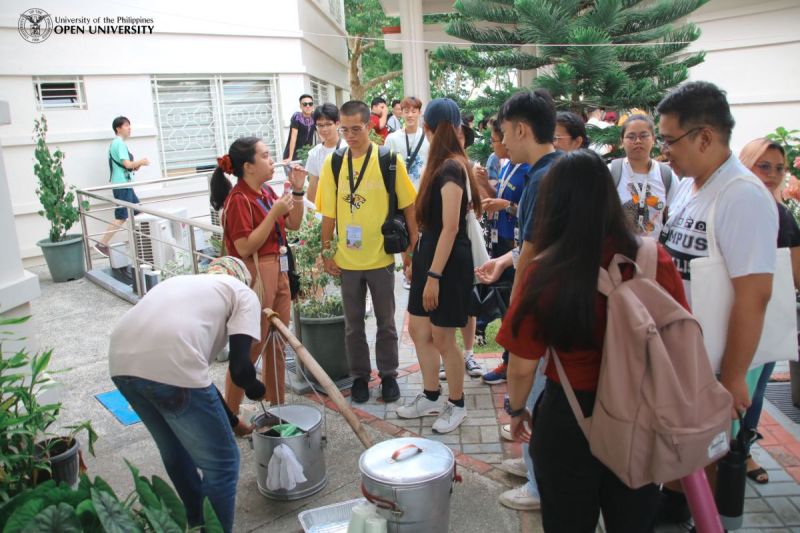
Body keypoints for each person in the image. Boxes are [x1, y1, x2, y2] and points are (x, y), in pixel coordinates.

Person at [497, 150, 688, 532]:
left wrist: (517, 412)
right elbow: (679, 335)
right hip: (641, 413)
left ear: (554, 203)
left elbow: (521, 366)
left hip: (569, 416)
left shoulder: (545, 271)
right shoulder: (654, 258)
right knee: (633, 522)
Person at [656, 81, 778, 519]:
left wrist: (734, 376)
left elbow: (755, 295)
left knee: (707, 445)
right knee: (681, 439)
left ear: (704, 137)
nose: (665, 151)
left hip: (714, 360)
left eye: (670, 140)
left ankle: (701, 518)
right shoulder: (691, 186)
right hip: (684, 352)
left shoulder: (741, 196)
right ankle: (675, 501)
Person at [109, 256, 265, 533]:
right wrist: (256, 389)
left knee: (176, 452)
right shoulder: (243, 292)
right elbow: (241, 370)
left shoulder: (184, 283)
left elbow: (200, 389)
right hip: (172, 359)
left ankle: (197, 524)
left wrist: (235, 423)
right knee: (224, 464)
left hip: (121, 361)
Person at [315, 100, 418, 403]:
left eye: (356, 129)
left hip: (381, 258)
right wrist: (327, 252)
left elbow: (409, 207)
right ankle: (360, 376)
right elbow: (328, 215)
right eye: (344, 129)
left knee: (387, 323)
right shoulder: (333, 163)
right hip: (347, 259)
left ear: (370, 127)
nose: (349, 135)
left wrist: (410, 251)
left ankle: (388, 375)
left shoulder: (388, 160)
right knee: (353, 324)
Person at [397, 98, 482, 433]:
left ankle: (456, 403)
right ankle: (431, 395)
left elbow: (450, 227)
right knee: (420, 330)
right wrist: (417, 261)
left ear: (430, 128)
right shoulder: (442, 164)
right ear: (457, 127)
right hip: (428, 255)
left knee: (444, 337)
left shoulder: (450, 168)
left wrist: (433, 275)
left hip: (446, 263)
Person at [209, 137, 306, 412]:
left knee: (277, 341)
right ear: (248, 166)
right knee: (250, 346)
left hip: (278, 268)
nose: (271, 160)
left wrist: (298, 193)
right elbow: (244, 246)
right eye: (265, 156)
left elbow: (294, 223)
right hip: (256, 274)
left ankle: (277, 406)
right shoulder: (239, 199)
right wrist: (273, 213)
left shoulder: (265, 193)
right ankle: (231, 411)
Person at [738, 137, 800, 484]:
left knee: (756, 391)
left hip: (765, 320)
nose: (772, 175)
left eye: (779, 168)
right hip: (726, 318)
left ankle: (743, 451)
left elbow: (795, 275)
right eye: (764, 165)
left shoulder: (782, 216)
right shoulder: (729, 206)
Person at [611, 114, 678, 238]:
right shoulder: (611, 172)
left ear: (653, 138)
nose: (637, 141)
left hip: (654, 252)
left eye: (644, 136)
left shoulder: (666, 175)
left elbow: (673, 218)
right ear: (622, 141)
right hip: (618, 252)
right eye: (631, 137)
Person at [94, 116, 150, 257]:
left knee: (139, 213)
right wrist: (142, 162)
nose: (129, 128)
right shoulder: (118, 143)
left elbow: (127, 166)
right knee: (122, 216)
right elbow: (127, 164)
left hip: (125, 184)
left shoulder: (119, 144)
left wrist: (136, 165)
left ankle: (146, 244)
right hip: (122, 185)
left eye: (130, 125)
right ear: (118, 129)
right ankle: (101, 244)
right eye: (126, 126)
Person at [386, 96, 429, 188]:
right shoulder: (392, 139)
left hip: (423, 192)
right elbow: (386, 167)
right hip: (401, 194)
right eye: (406, 111)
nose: (410, 115)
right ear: (401, 113)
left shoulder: (428, 138)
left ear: (420, 113)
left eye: (414, 112)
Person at [305, 103, 342, 206]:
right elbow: (313, 185)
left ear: (337, 124)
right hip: (326, 207)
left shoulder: (348, 148)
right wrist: (311, 212)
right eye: (320, 125)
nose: (324, 129)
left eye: (329, 124)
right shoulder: (314, 153)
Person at [283, 94, 316, 162]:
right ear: (300, 106)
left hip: (306, 154)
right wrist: (290, 157)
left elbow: (321, 134)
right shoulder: (297, 117)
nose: (308, 106)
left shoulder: (314, 116)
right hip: (293, 154)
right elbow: (293, 137)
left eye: (310, 104)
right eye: (305, 104)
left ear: (313, 106)